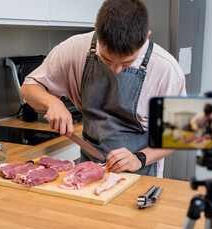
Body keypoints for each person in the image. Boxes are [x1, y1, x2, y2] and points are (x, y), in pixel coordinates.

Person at [20, 0, 186, 178]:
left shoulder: (166, 69)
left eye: (126, 63)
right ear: (96, 31)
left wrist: (139, 159)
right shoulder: (74, 48)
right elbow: (28, 88)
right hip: (88, 167)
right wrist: (53, 103)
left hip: (140, 172)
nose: (115, 70)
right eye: (107, 60)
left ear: (146, 36)